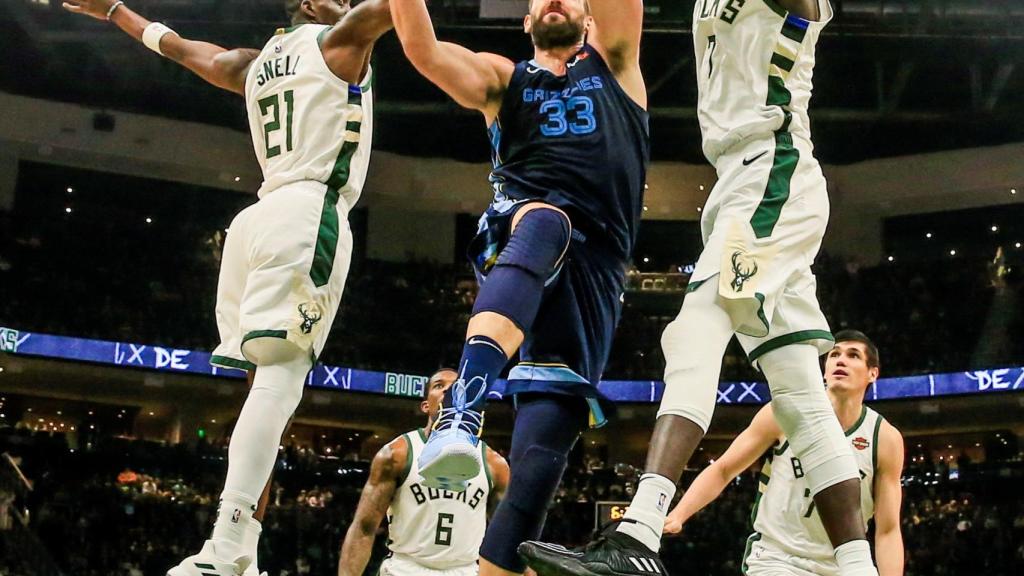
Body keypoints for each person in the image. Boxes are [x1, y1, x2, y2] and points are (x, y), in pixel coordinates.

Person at [520, 1, 881, 575]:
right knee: (802, 400)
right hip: (736, 180)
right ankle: (860, 568)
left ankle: (638, 533)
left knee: (693, 333)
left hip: (773, 169)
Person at [61, 1, 393, 575]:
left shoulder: (255, 62)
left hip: (253, 224)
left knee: (263, 393)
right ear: (313, 5)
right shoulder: (342, 40)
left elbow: (180, 48)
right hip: (307, 212)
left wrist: (117, 11)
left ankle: (241, 548)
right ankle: (225, 546)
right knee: (280, 387)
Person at [390, 0, 648, 574]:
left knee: (539, 461)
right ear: (526, 22)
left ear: (590, 18)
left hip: (597, 271)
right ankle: (464, 409)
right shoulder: (504, 79)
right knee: (546, 220)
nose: (553, 0)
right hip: (519, 228)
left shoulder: (616, 64)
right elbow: (423, 51)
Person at [663, 331, 905, 576]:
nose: (840, 360)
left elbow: (887, 530)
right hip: (777, 558)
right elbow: (723, 469)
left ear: (872, 373)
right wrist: (679, 515)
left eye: (853, 355)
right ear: (824, 368)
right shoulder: (787, 411)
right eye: (834, 354)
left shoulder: (884, 438)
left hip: (841, 566)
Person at [338, 369, 509, 576]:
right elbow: (364, 528)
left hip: (465, 570)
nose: (448, 389)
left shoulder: (494, 464)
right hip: (405, 568)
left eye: (455, 386)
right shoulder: (397, 454)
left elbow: (507, 537)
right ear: (426, 406)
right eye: (439, 386)